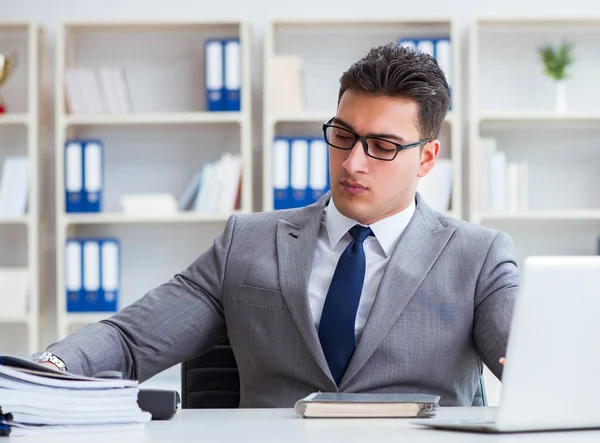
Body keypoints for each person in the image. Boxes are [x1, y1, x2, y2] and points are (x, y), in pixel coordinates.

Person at [33, 43, 518, 408]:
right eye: (343, 135)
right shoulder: (247, 242)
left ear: (427, 158)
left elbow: (529, 360)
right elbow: (131, 341)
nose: (352, 163)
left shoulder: (478, 258)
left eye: (383, 146)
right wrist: (45, 372)